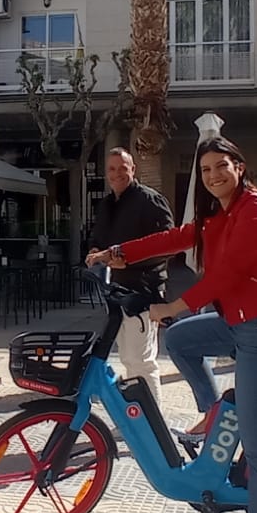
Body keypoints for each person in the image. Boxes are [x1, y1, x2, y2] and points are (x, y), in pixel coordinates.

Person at [87, 137, 257, 513]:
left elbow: (230, 274)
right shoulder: (216, 215)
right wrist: (117, 252)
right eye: (204, 170)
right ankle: (212, 411)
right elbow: (175, 238)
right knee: (183, 341)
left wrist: (174, 306)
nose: (213, 175)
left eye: (221, 166)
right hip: (236, 323)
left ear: (239, 167)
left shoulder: (255, 210)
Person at [87, 148, 174, 401]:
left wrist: (131, 264)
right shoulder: (106, 204)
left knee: (142, 361)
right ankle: (137, 417)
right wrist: (94, 250)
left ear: (133, 169)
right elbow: (100, 238)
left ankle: (152, 425)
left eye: (123, 168)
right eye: (112, 169)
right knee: (127, 358)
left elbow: (168, 245)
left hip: (143, 293)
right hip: (118, 292)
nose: (117, 174)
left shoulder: (149, 200)